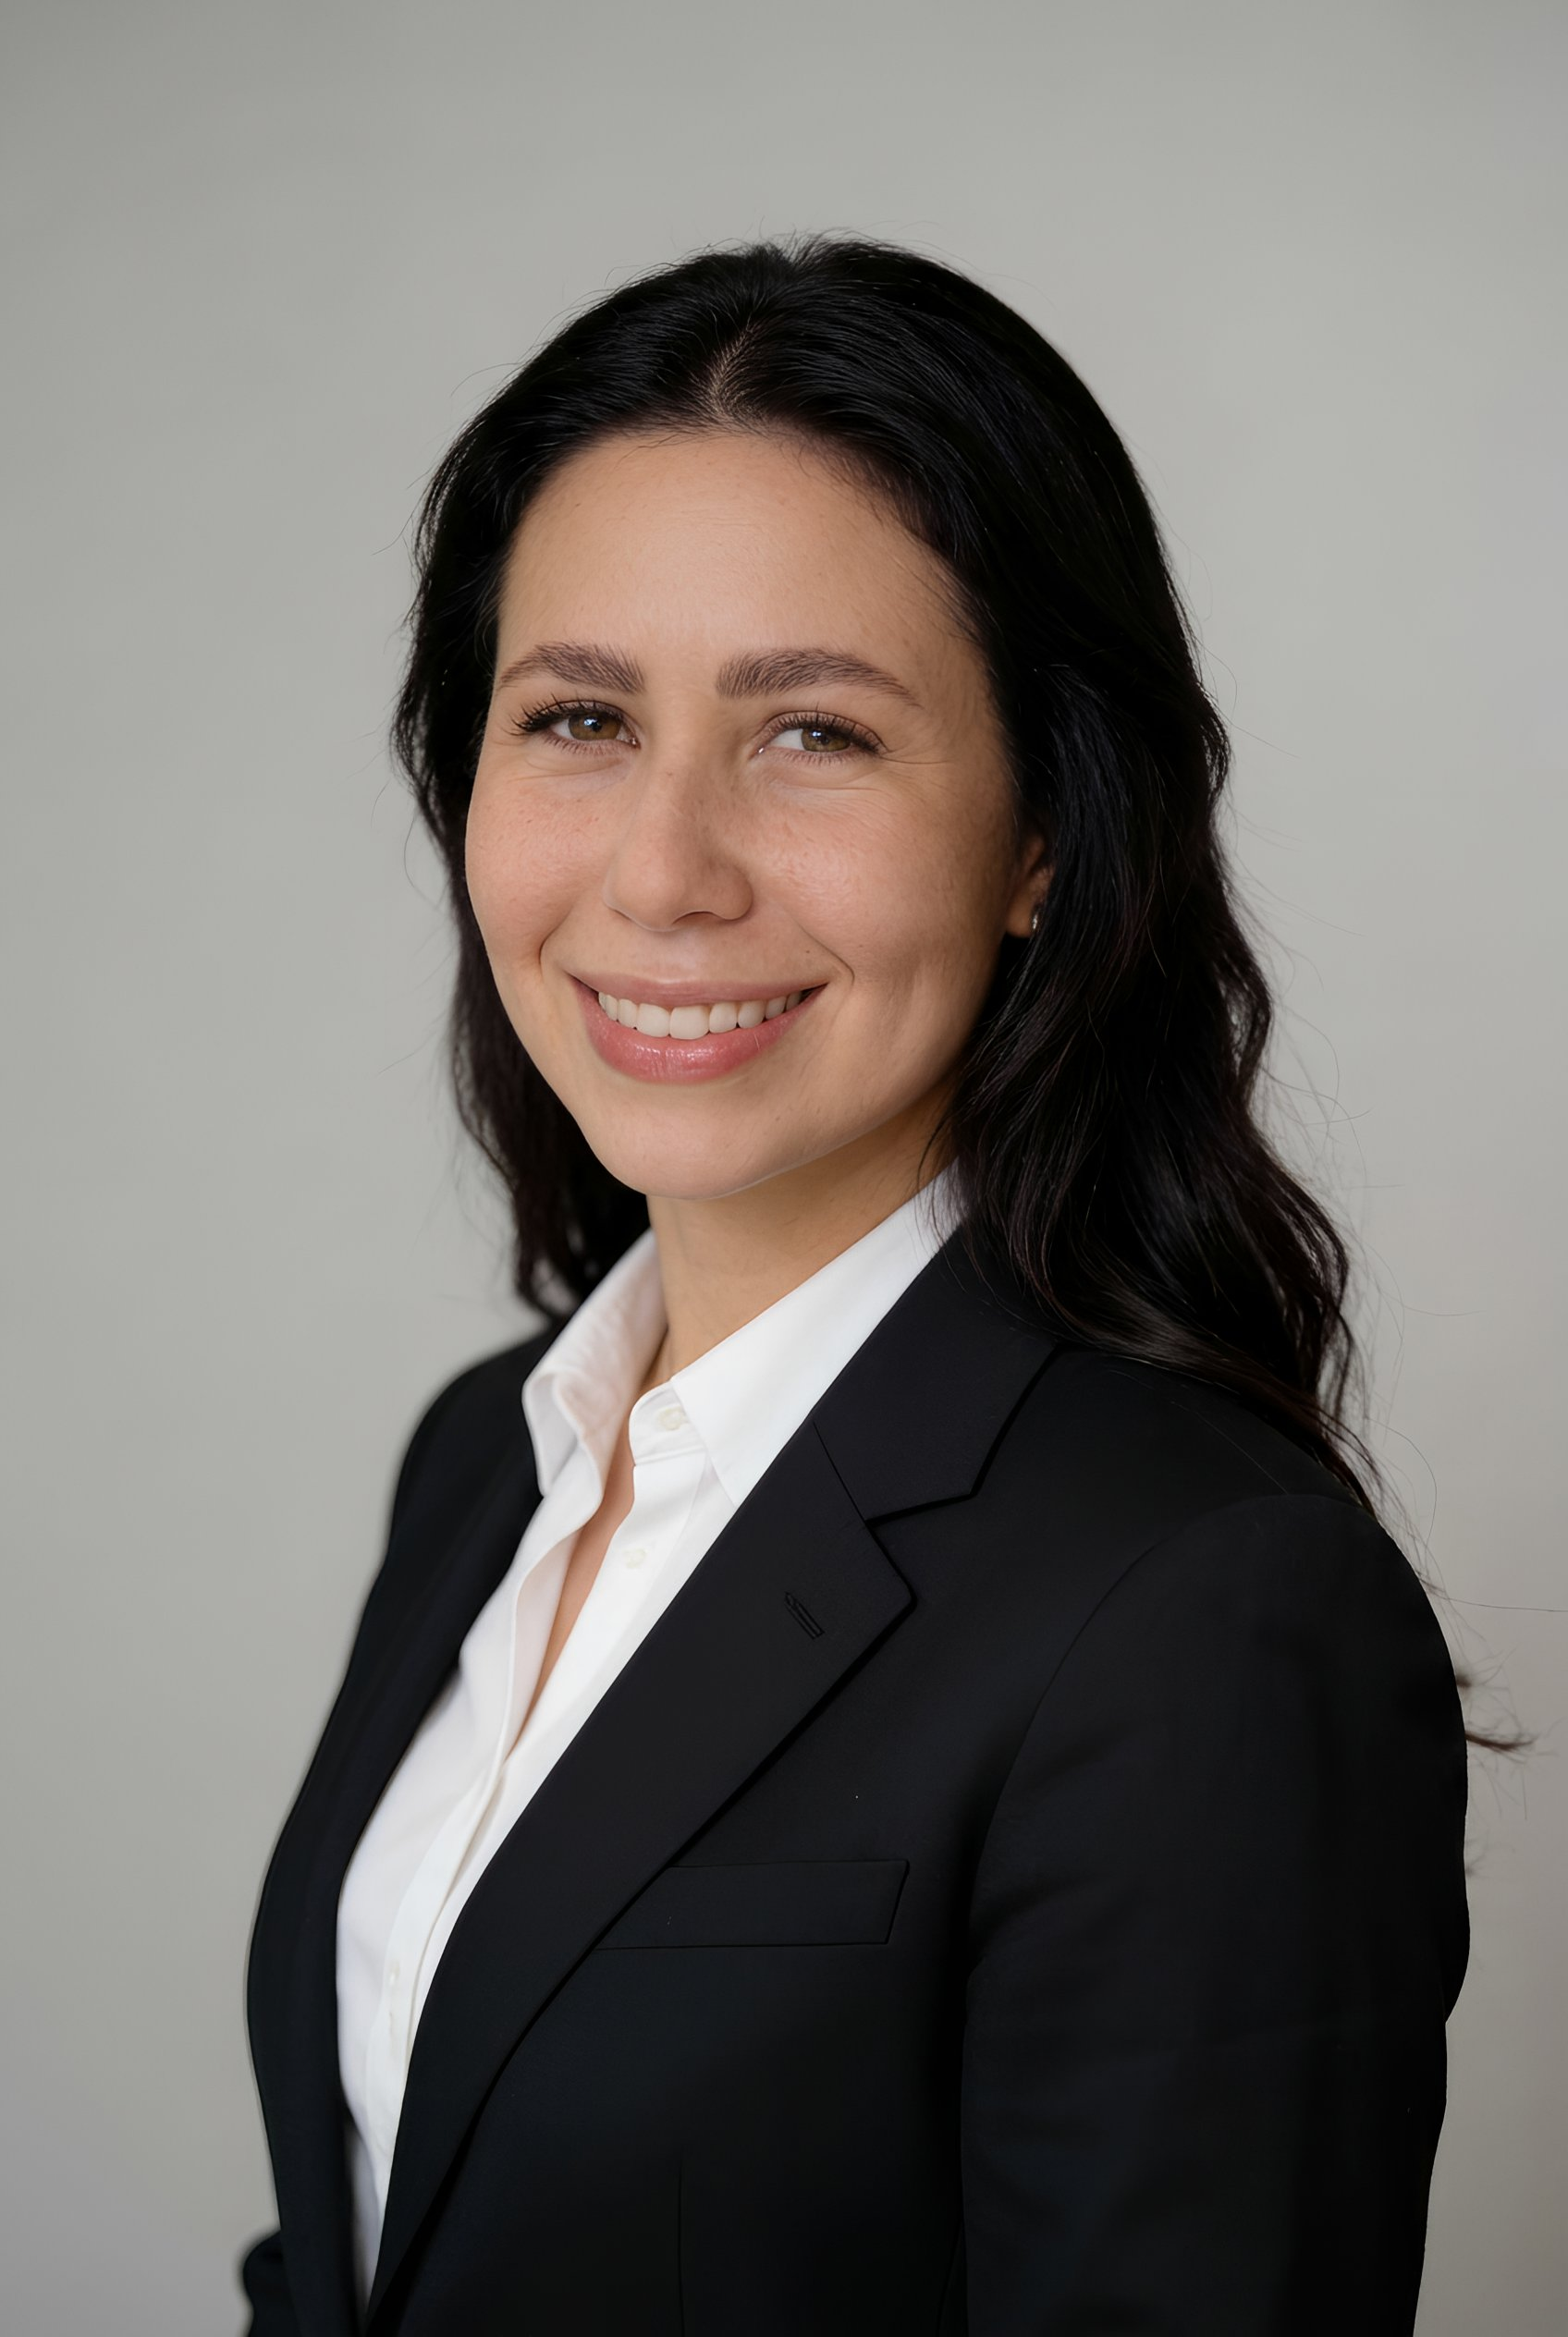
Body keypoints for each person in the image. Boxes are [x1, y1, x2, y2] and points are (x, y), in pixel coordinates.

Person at [239, 236, 1470, 2337]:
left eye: (810, 730)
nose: (663, 868)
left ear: (1038, 838)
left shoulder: (1200, 1604)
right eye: (576, 719)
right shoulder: (486, 1461)